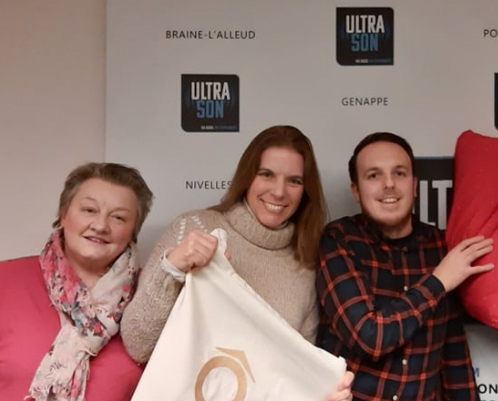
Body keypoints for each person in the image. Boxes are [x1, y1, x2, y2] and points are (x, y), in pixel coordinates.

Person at [121, 125, 352, 400]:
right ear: (247, 177)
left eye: (294, 181)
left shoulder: (305, 263)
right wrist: (172, 267)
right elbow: (138, 344)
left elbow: (290, 380)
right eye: (266, 174)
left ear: (306, 190)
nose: (279, 192)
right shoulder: (194, 228)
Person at [0, 162, 155, 401]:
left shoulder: (151, 299)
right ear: (64, 214)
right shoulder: (0, 282)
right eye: (89, 210)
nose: (100, 225)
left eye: (118, 217)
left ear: (133, 230)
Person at [316, 132, 492, 401]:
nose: (389, 184)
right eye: (374, 175)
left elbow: (453, 353)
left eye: (399, 173)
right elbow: (368, 338)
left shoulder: (440, 246)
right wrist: (438, 282)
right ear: (356, 190)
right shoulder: (339, 239)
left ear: (415, 185)